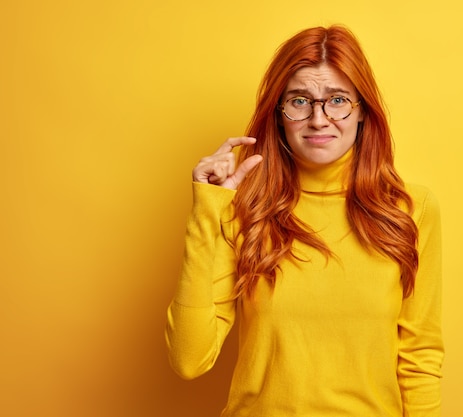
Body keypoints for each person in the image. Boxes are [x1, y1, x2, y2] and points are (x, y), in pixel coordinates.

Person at [165, 25, 444, 417]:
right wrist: (207, 210)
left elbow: (419, 356)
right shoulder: (242, 210)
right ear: (278, 114)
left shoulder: (409, 209)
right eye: (299, 101)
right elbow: (189, 359)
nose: (319, 119)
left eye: (337, 100)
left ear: (362, 109)